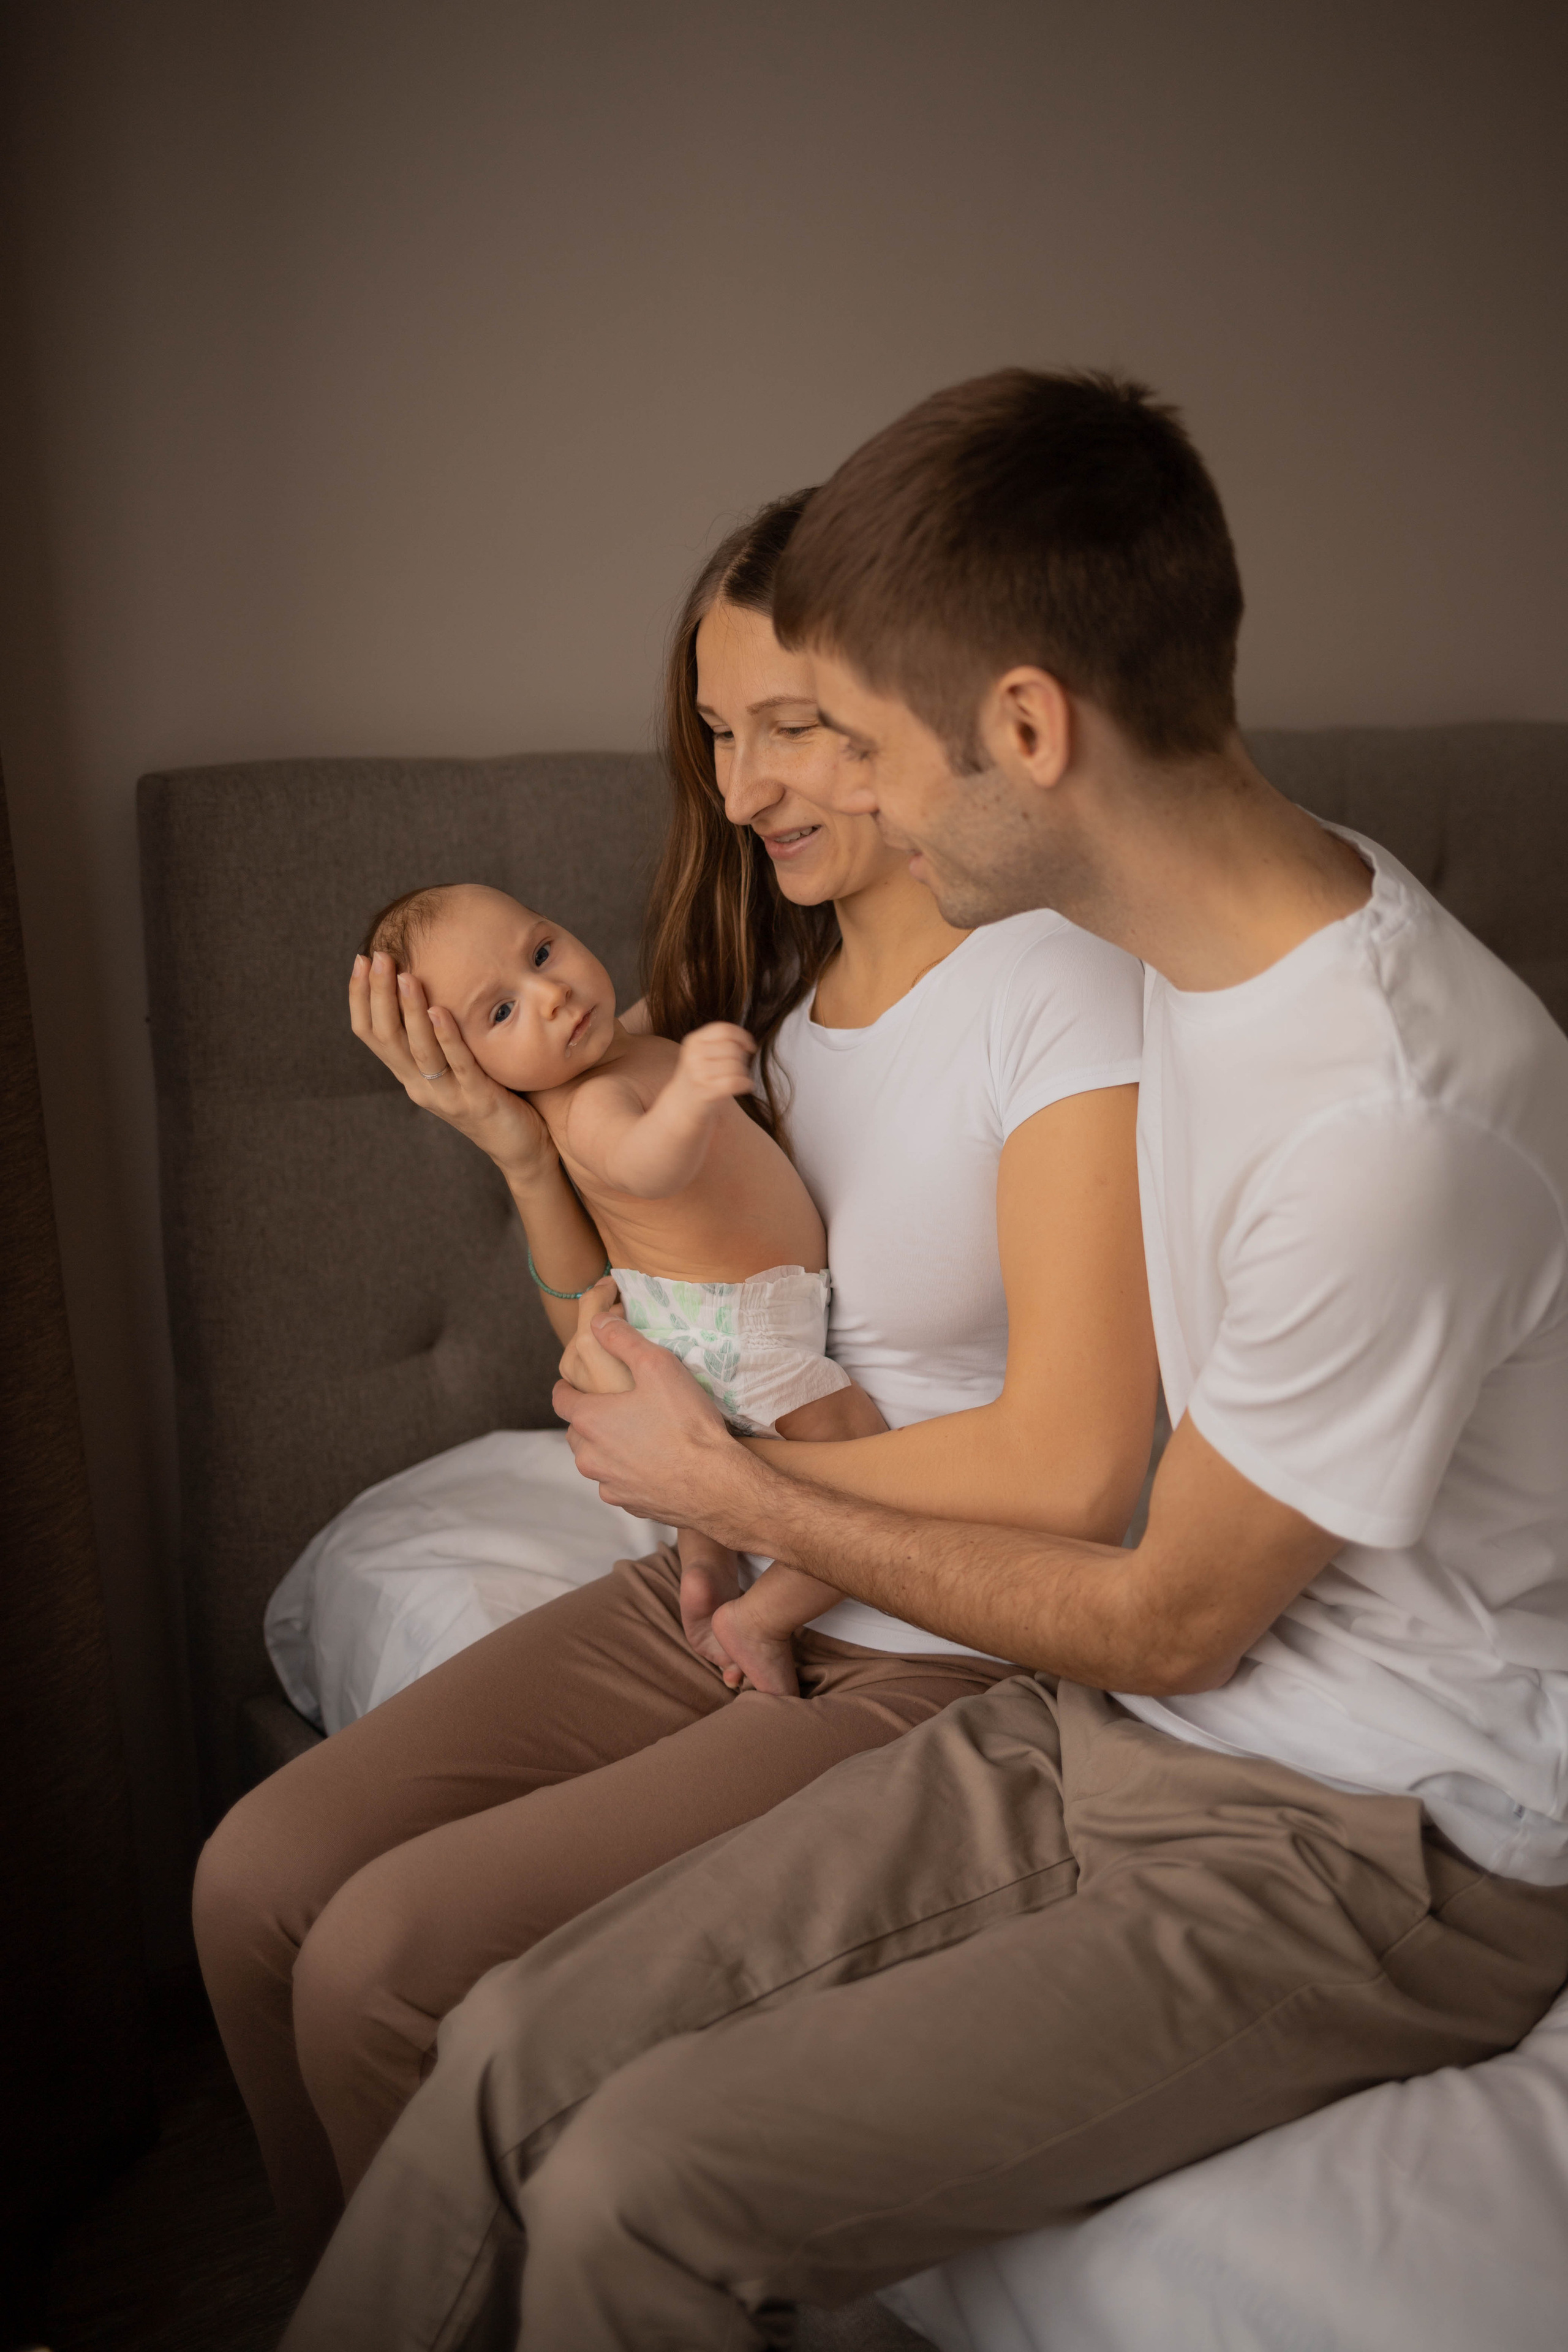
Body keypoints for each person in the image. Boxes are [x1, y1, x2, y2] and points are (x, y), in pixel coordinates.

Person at [279, 369, 1568, 2352]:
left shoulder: (1386, 1115)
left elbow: (1167, 1614)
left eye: (852, 742)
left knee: (648, 2182)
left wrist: (739, 1493)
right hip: (1121, 1727)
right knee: (518, 2039)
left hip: (1383, 1829)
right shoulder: (1205, 963)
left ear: (1028, 730)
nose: (817, 798)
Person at [192, 481, 1152, 2278]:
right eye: (716, 733)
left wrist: (734, 1504)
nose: (740, 786)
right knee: (256, 1881)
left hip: (934, 1638)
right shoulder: (779, 1014)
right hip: (739, 1547)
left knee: (386, 1960)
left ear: (924, 709)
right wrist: (513, 1144)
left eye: (788, 727)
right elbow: (633, 1342)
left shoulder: (1059, 994)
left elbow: (1081, 1469)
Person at [356, 876, 888, 1696]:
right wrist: (692, 1098)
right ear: (473, 1069)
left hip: (685, 1323)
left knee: (737, 1497)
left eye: (542, 949)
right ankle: (761, 1618)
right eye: (500, 1013)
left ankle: (705, 1559)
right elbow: (647, 1165)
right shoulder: (595, 1102)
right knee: (869, 1473)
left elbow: (668, 994)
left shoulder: (618, 1044)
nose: (552, 992)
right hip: (738, 1336)